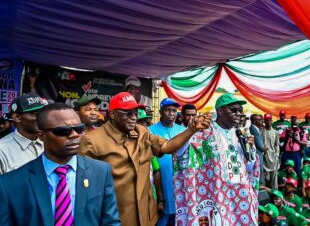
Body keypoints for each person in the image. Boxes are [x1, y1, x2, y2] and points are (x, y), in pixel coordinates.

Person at [79, 92, 212, 226]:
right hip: (117, 219)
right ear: (112, 114)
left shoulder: (142, 132)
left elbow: (167, 146)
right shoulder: (92, 141)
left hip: (146, 217)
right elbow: (87, 193)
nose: (134, 117)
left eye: (136, 113)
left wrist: (191, 129)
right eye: (128, 113)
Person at [0, 103, 120, 225]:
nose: (74, 135)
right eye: (63, 131)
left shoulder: (100, 172)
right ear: (42, 135)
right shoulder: (10, 183)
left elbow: (110, 221)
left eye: (79, 128)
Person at [173, 93, 259, 225]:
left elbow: (248, 167)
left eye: (240, 111)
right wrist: (192, 130)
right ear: (220, 111)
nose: (238, 113)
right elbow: (183, 153)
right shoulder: (205, 132)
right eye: (233, 110)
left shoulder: (239, 134)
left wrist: (251, 149)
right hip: (216, 195)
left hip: (240, 196)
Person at [148, 98, 186, 226]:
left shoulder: (182, 131)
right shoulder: (150, 131)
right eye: (168, 110)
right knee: (161, 217)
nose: (171, 113)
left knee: (179, 215)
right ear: (160, 112)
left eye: (174, 110)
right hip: (160, 179)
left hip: (179, 179)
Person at [0, 93, 47, 174]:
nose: (42, 117)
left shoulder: (51, 142)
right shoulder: (2, 150)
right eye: (35, 114)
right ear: (17, 117)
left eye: (43, 112)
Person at [261, 113, 280, 189]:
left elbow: (276, 144)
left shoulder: (275, 132)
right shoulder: (261, 131)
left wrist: (277, 154)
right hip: (264, 157)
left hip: (273, 157)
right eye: (266, 120)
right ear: (264, 121)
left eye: (270, 120)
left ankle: (274, 194)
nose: (268, 122)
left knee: (274, 177)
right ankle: (264, 195)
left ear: (272, 121)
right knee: (264, 177)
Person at [250, 114, 265, 183]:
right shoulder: (252, 129)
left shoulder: (256, 128)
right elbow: (261, 146)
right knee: (258, 170)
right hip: (257, 153)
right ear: (254, 121)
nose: (261, 121)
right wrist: (264, 148)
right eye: (259, 120)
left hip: (259, 153)